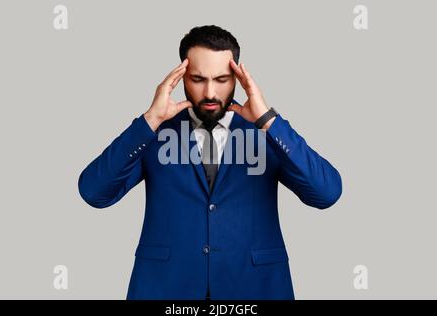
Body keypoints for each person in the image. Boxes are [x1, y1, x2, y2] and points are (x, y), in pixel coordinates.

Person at [78, 25, 342, 300]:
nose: (210, 92)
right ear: (181, 78)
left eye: (222, 79)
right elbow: (93, 192)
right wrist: (150, 121)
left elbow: (327, 193)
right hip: (166, 290)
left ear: (238, 78)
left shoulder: (265, 133)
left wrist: (268, 121)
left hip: (255, 289)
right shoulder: (154, 132)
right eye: (197, 79)